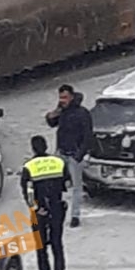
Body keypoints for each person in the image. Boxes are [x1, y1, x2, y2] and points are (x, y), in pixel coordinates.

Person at [20, 135, 72, 270]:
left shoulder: (29, 166)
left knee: (40, 245)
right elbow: (68, 184)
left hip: (40, 210)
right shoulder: (58, 162)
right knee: (57, 243)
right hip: (56, 207)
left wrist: (36, 208)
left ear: (33, 148)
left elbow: (28, 191)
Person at [45, 84, 94, 228]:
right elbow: (52, 123)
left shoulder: (82, 113)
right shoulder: (62, 111)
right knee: (55, 184)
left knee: (76, 187)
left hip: (74, 154)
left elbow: (88, 136)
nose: (62, 100)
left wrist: (80, 154)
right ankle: (55, 211)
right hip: (61, 153)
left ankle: (75, 216)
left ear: (72, 97)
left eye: (65, 97)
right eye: (60, 97)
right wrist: (53, 114)